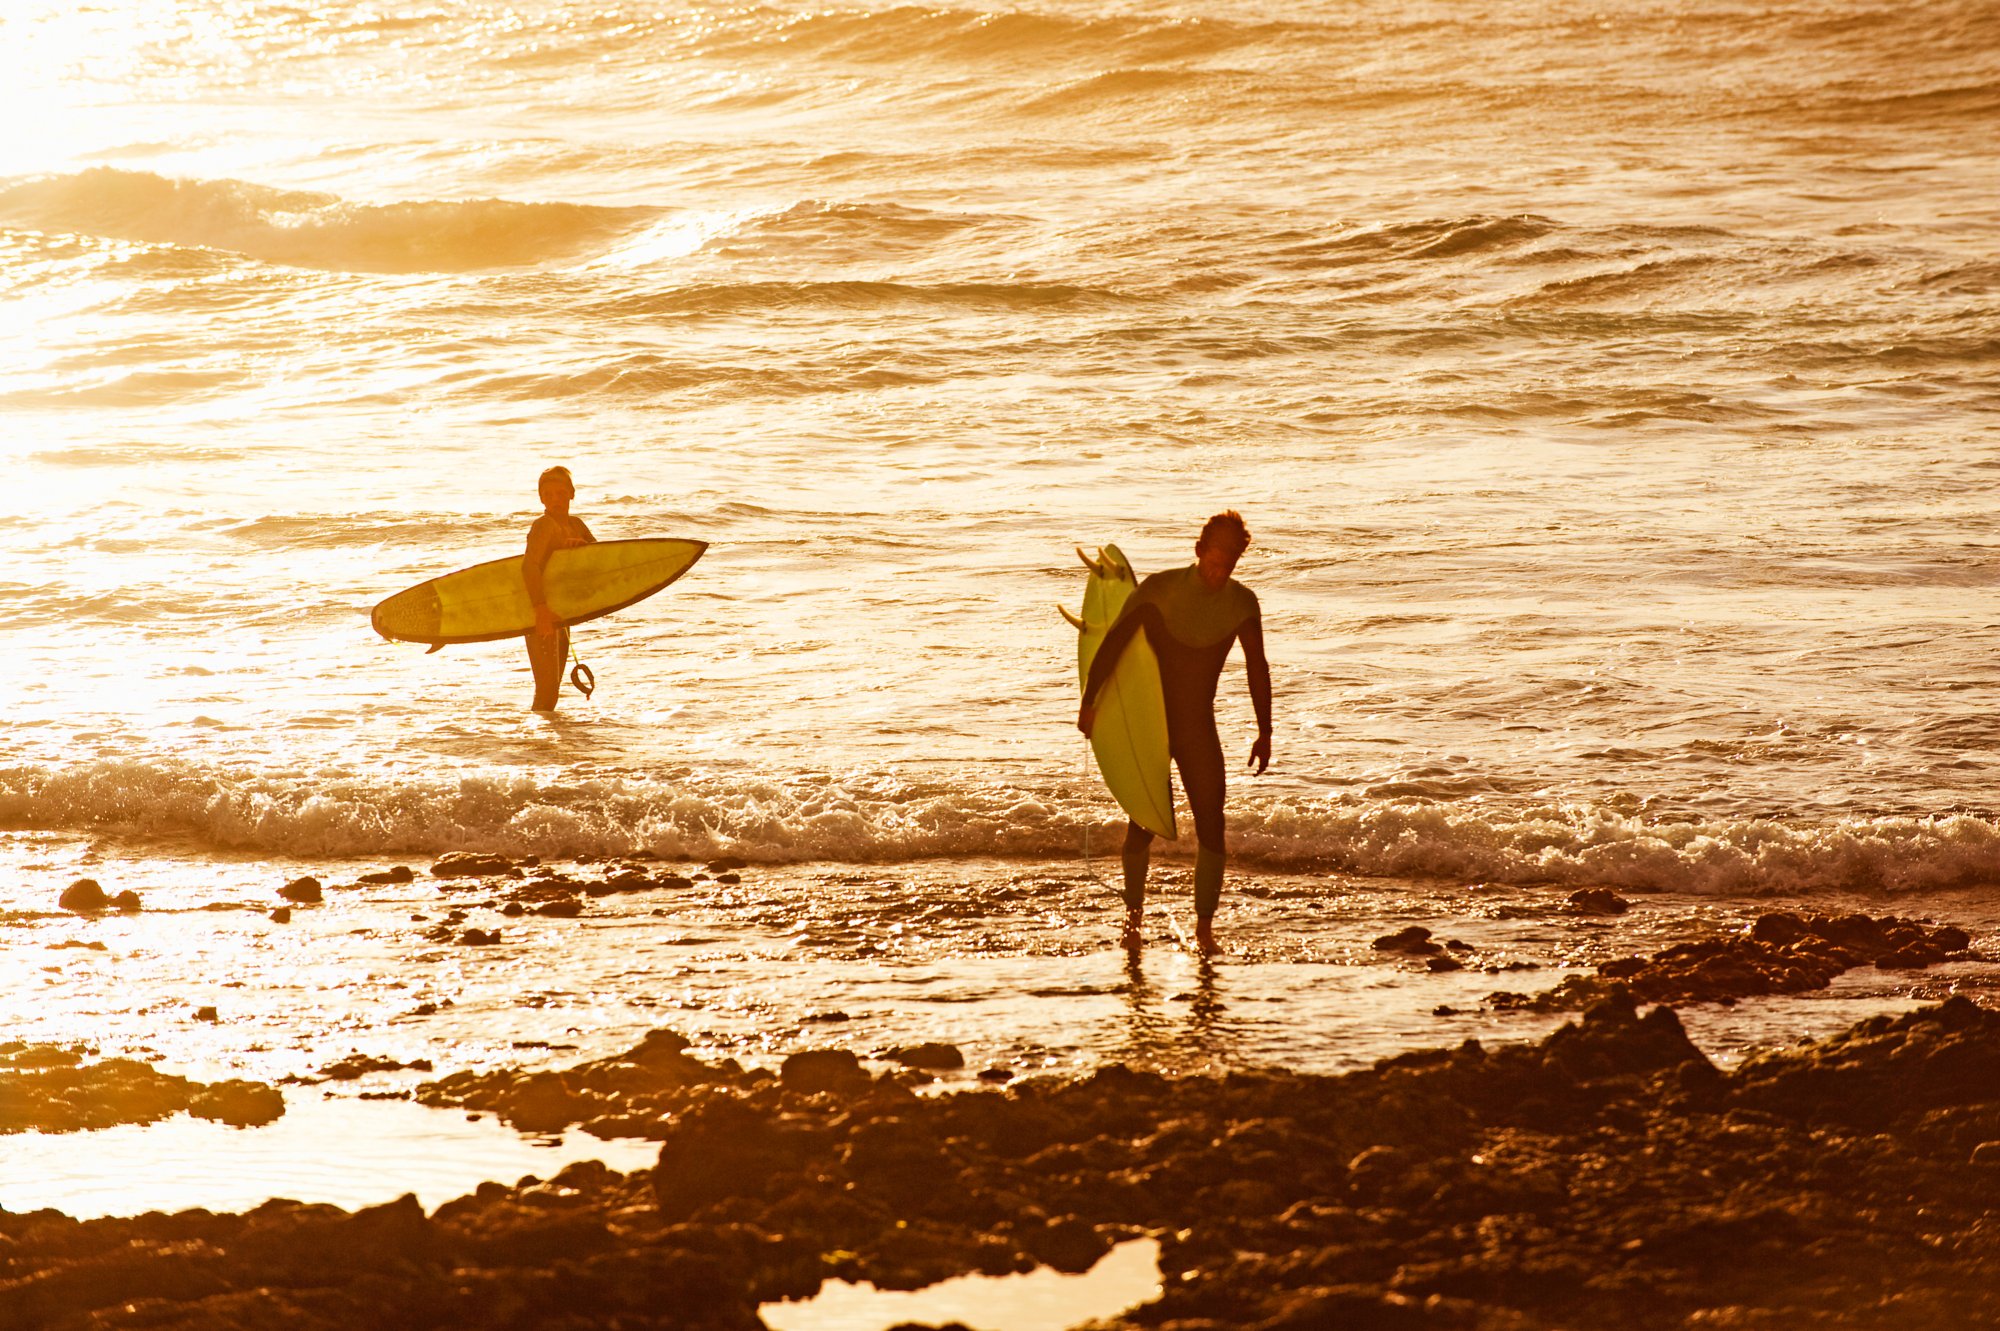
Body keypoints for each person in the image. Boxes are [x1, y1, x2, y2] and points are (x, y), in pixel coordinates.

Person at [1078, 511, 1272, 953]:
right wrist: (1090, 704)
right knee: (1143, 821)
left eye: (1229, 564)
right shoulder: (1159, 590)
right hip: (1150, 723)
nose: (1217, 571)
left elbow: (1258, 668)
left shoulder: (1242, 604)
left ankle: (1204, 931)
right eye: (1214, 559)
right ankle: (1132, 920)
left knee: (1212, 824)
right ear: (1199, 549)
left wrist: (1265, 730)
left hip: (1196, 724)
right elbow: (1113, 645)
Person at [524, 465, 596, 711]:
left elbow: (602, 558)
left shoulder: (576, 525)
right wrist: (541, 610)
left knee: (552, 690)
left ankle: (543, 743)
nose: (555, 499)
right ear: (541, 498)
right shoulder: (543, 526)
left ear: (572, 494)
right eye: (549, 495)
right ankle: (535, 744)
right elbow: (529, 567)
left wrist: (582, 546)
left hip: (561, 613)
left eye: (561, 493)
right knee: (546, 691)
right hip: (542, 614)